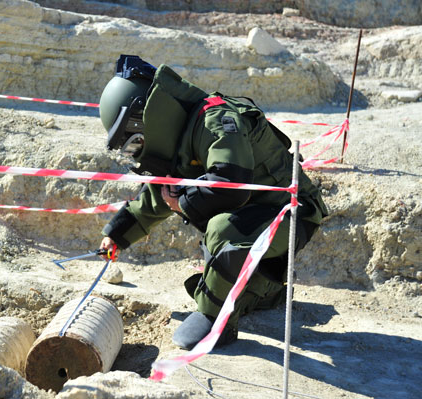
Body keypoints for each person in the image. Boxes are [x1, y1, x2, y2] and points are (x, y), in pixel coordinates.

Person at [98, 55, 328, 350]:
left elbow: (229, 185)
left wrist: (183, 204)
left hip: (294, 213)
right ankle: (264, 290)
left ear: (150, 117)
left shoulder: (216, 121)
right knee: (212, 272)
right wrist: (116, 234)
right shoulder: (184, 135)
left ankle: (215, 321)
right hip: (258, 213)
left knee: (222, 230)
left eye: (132, 141)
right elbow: (161, 193)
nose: (135, 151)